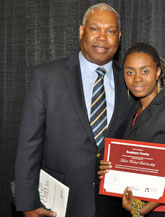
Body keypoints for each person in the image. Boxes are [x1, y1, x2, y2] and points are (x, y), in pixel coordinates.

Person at [15, 3, 134, 217]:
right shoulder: (47, 77)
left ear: (119, 36)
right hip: (58, 205)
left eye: (111, 31)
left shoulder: (131, 81)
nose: (102, 37)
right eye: (95, 29)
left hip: (114, 206)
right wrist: (27, 202)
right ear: (81, 31)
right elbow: (29, 144)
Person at [98, 43, 165, 217]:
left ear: (158, 72)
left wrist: (143, 208)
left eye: (145, 71)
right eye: (130, 72)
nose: (137, 79)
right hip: (138, 206)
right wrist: (111, 170)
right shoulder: (135, 109)